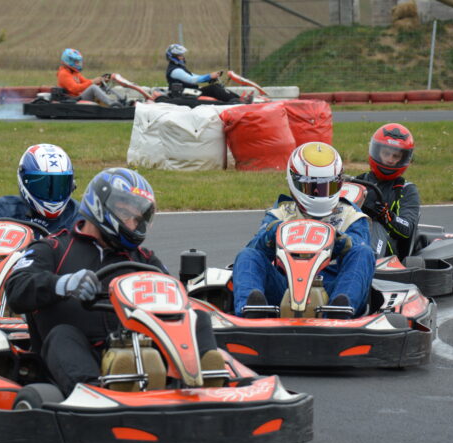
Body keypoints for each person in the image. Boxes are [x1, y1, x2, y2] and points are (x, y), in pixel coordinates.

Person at [4, 167, 224, 395]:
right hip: (73, 359)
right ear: (101, 204)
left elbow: (177, 304)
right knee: (62, 335)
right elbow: (16, 289)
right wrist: (62, 284)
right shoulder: (53, 248)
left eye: (137, 217)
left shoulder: (144, 260)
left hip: (139, 353)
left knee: (197, 318)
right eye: (125, 213)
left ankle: (205, 384)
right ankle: (94, 394)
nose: (132, 223)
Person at [232, 142, 375, 319]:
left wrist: (340, 242)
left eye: (327, 186)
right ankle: (251, 311)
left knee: (363, 253)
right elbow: (256, 249)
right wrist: (271, 235)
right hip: (286, 287)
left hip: (334, 288)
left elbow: (359, 247)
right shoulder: (281, 214)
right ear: (295, 182)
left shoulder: (350, 215)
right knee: (247, 255)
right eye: (313, 187)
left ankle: (340, 314)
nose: (320, 193)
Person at [0, 143, 80, 312]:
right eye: (44, 186)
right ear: (25, 182)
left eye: (59, 185)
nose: (52, 193)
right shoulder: (2, 208)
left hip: (49, 278)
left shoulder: (78, 216)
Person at [355, 123, 420, 259]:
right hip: (354, 235)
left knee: (375, 224)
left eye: (396, 156)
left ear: (403, 159)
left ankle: (369, 263)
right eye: (386, 154)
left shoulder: (407, 190)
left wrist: (387, 216)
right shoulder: (357, 182)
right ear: (376, 151)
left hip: (388, 247)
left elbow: (407, 228)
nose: (390, 160)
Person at [165, 43, 251, 103]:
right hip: (184, 95)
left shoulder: (179, 68)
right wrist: (209, 76)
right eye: (180, 56)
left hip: (190, 92)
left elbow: (194, 76)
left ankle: (239, 99)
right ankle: (238, 101)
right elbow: (192, 80)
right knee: (213, 89)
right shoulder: (175, 71)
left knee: (217, 86)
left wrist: (210, 77)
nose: (183, 57)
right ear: (173, 57)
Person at [56, 48, 125, 107]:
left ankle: (117, 102)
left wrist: (99, 81)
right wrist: (92, 82)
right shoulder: (63, 74)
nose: (77, 63)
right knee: (93, 88)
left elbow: (85, 82)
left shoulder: (74, 72)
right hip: (73, 100)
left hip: (78, 96)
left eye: (78, 62)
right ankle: (113, 105)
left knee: (99, 87)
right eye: (76, 61)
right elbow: (75, 89)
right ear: (68, 61)